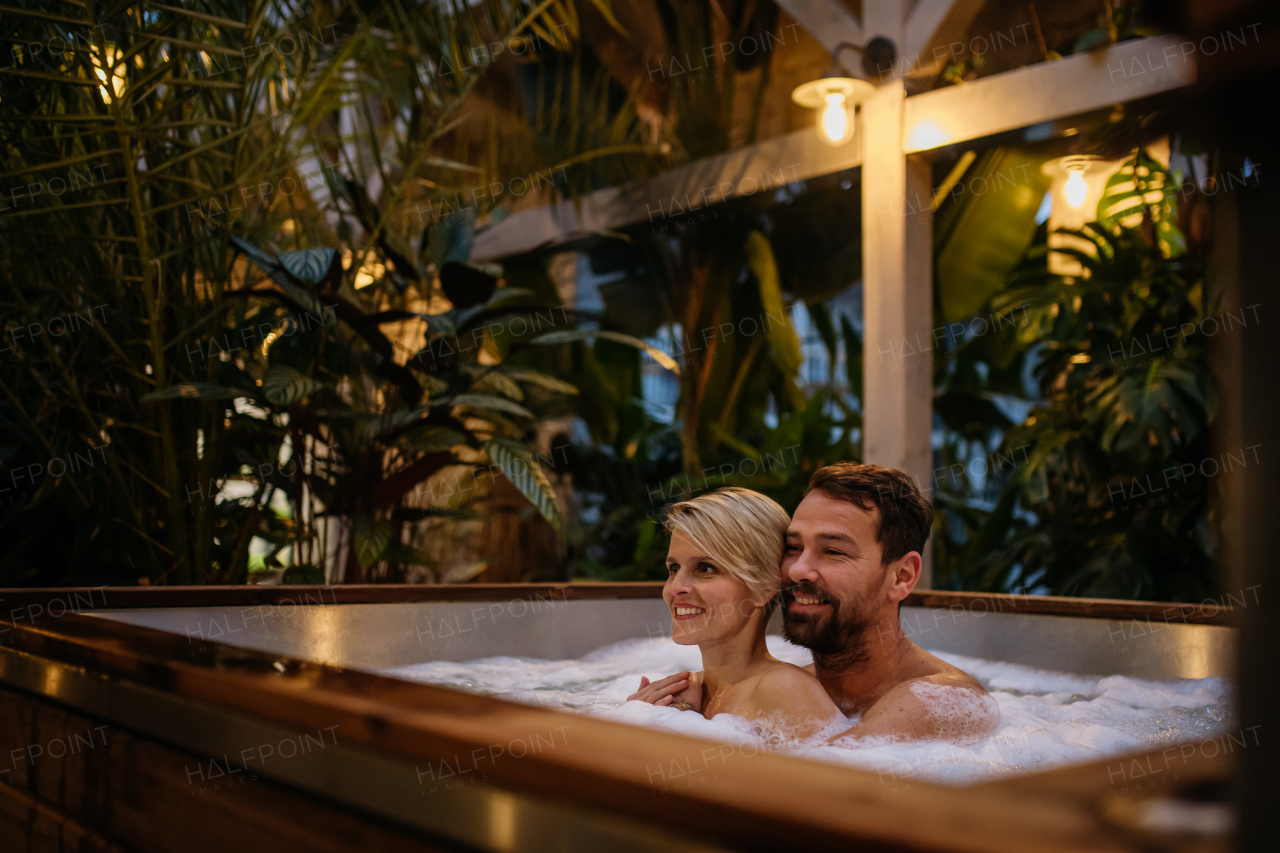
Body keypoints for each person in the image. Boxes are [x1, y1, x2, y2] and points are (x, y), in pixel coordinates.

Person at [634, 464, 1000, 743]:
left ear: (902, 577)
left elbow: (827, 795)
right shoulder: (789, 686)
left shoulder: (939, 699)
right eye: (793, 548)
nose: (796, 570)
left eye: (833, 551)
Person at [626, 487, 842, 738]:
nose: (676, 587)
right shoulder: (681, 692)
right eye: (674, 568)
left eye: (705, 569)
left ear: (764, 588)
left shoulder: (785, 690)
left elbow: (831, 775)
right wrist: (635, 717)